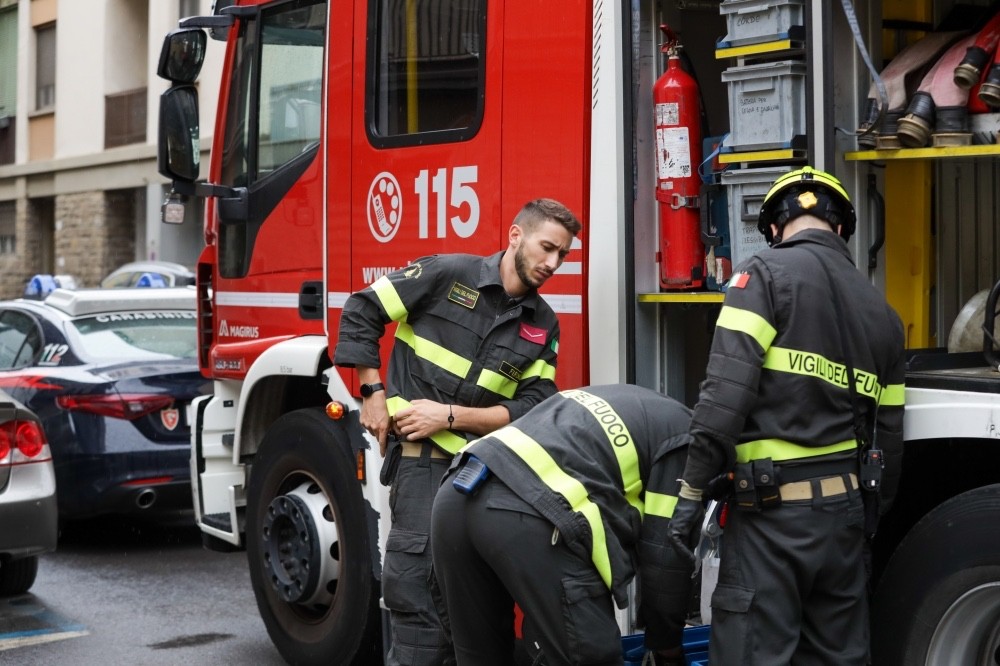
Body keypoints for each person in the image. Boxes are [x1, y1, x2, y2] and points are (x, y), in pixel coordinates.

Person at [667, 166, 906, 665]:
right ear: (840, 227)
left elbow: (720, 402)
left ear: (774, 227)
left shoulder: (760, 277)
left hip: (770, 521)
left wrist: (689, 493)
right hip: (842, 522)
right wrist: (864, 519)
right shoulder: (885, 315)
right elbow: (890, 436)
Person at [333, 198, 581, 666]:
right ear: (515, 236)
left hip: (488, 473)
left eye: (563, 254)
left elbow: (535, 405)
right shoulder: (448, 273)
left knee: (476, 604)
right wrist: (372, 392)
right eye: (547, 247)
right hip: (422, 464)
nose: (552, 263)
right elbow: (362, 308)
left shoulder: (543, 323)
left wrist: (449, 416)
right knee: (418, 600)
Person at [431, 384, 696, 666]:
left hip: (456, 492)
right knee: (592, 658)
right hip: (524, 510)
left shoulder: (640, 402)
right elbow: (665, 559)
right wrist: (667, 650)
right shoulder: (688, 443)